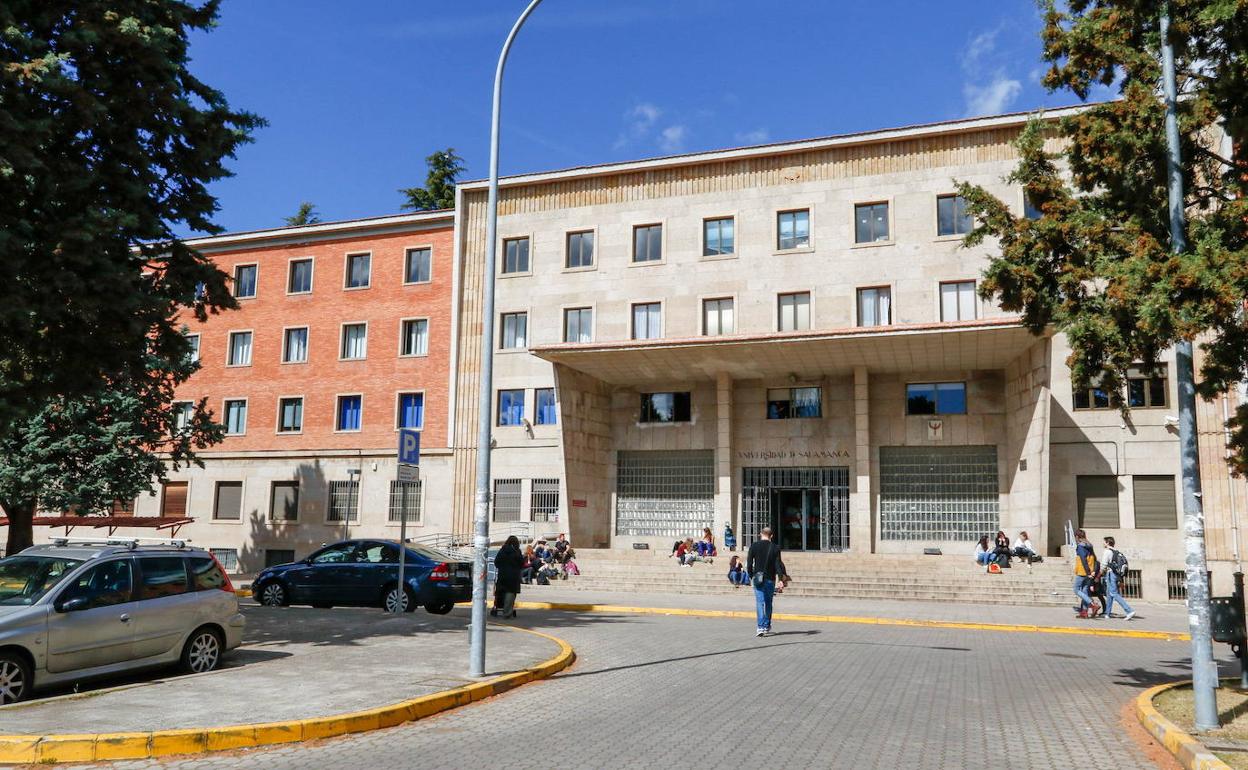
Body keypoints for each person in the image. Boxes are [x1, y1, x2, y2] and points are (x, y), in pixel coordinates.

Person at [747, 527, 788, 637]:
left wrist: (751, 576)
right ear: (772, 535)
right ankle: (766, 625)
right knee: (768, 602)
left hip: (758, 578)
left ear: (761, 534)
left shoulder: (754, 546)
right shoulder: (775, 547)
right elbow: (778, 564)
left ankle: (760, 627)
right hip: (770, 579)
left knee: (760, 602)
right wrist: (780, 579)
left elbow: (749, 563)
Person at [1101, 536, 1136, 620]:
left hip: (1111, 574)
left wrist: (1100, 573)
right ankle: (1107, 613)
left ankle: (1129, 610)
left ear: (1108, 543)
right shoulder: (1116, 551)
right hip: (1116, 575)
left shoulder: (1107, 551)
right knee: (1109, 594)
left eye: (1104, 542)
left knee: (1113, 593)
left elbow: (1103, 565)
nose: (1103, 543)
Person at [491, 535, 524, 619]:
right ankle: (507, 612)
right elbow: (521, 563)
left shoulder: (502, 550)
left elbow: (496, 562)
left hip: (503, 575)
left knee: (502, 592)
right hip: (513, 577)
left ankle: (499, 607)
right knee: (511, 593)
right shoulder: (517, 552)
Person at [1073, 529, 1100, 618]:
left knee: (1076, 590)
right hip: (1089, 572)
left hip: (1082, 572)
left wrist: (1088, 572)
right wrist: (1093, 571)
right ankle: (1084, 612)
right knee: (1084, 591)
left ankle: (1092, 604)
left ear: (1077, 537)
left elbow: (1083, 560)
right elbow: (1095, 559)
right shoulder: (1089, 546)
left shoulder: (1080, 546)